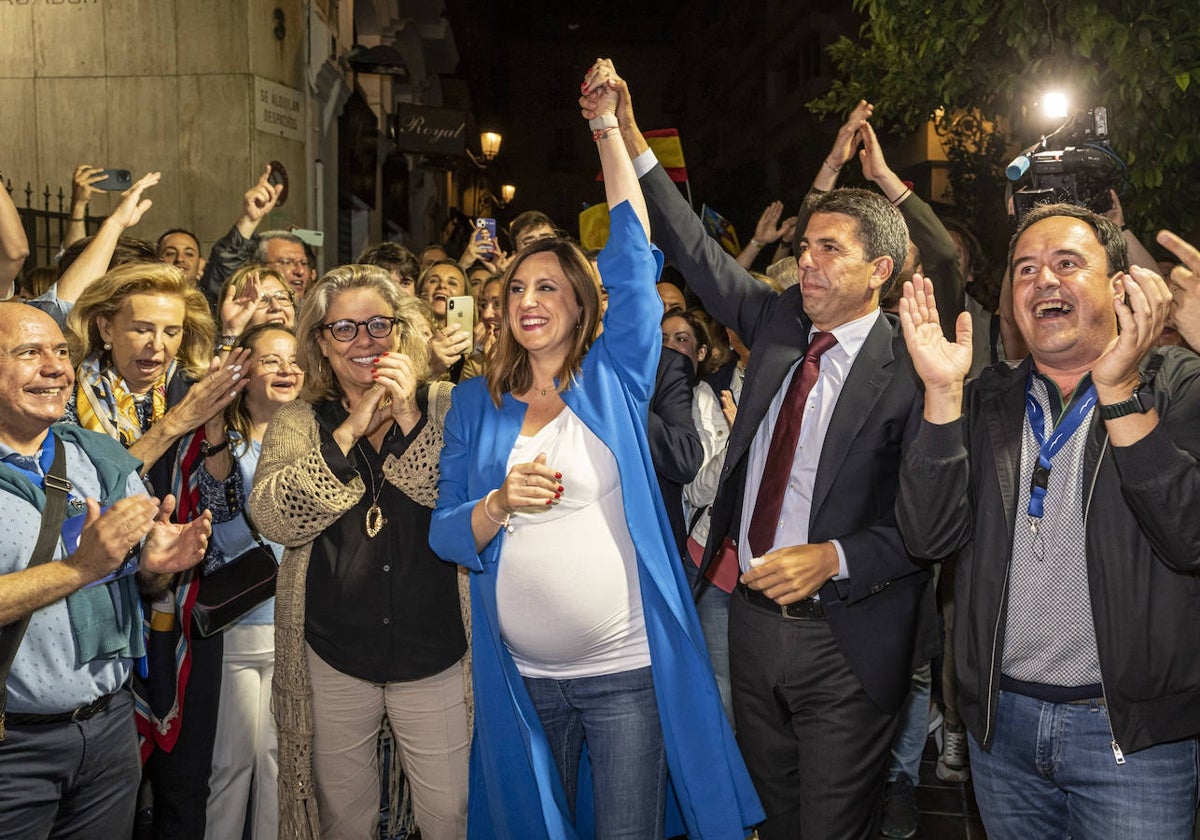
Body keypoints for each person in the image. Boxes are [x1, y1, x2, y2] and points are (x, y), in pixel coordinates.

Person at [597, 58, 932, 839]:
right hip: (748, 626)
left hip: (846, 637)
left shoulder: (914, 371)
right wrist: (625, 130)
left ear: (879, 271)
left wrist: (836, 558)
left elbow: (932, 526)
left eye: (827, 251)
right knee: (771, 818)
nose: (805, 262)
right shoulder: (779, 324)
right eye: (804, 247)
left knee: (832, 824)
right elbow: (696, 249)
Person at [430, 60, 761, 840]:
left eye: (548, 288)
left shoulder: (613, 378)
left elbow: (632, 249)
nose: (528, 301)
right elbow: (447, 532)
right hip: (522, 683)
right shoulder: (474, 403)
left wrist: (609, 127)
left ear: (582, 305)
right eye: (516, 290)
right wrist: (498, 503)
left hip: (624, 676)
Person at [896, 203, 1200, 839]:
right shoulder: (984, 401)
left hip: (1133, 739)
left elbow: (1188, 534)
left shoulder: (1178, 386)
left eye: (1067, 263)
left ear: (1118, 286)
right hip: (1001, 730)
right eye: (1026, 271)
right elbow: (927, 536)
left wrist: (1120, 395)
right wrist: (941, 397)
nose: (1044, 282)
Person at [249, 266, 469, 840]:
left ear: (403, 332)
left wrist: (409, 419)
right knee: (344, 818)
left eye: (378, 324)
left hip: (436, 649)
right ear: (320, 342)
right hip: (334, 651)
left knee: (450, 815)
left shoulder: (447, 404)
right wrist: (348, 433)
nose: (365, 341)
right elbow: (273, 517)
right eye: (344, 328)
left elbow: (458, 500)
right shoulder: (299, 420)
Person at [0, 302, 211, 839]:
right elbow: (87, 568)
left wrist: (156, 569)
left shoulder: (97, 457)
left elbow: (139, 583)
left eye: (62, 353)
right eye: (30, 353)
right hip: (13, 748)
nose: (56, 368)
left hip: (110, 731)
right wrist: (79, 568)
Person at [63, 261, 246, 838]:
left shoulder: (188, 389)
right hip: (98, 612)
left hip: (181, 611)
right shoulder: (66, 394)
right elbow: (94, 484)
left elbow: (228, 504)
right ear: (104, 328)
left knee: (186, 784)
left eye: (169, 332)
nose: (157, 345)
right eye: (141, 328)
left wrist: (212, 426)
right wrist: (177, 425)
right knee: (106, 799)